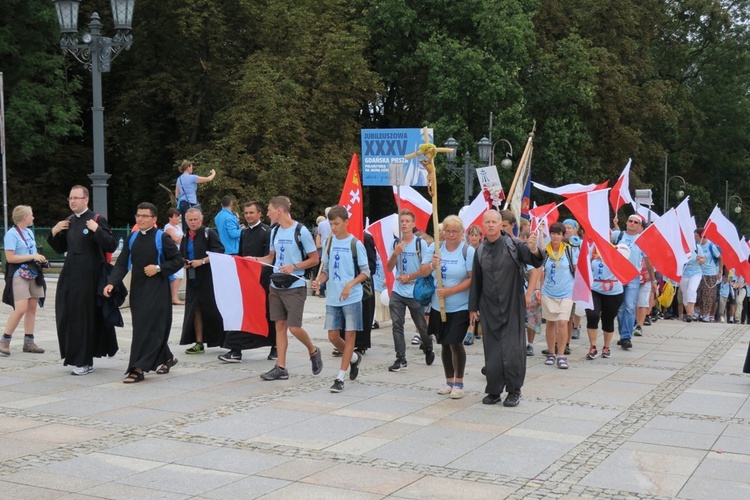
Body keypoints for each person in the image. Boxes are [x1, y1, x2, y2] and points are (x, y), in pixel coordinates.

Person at [469, 210, 543, 407]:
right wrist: (473, 307)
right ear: (483, 224)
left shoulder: (515, 244)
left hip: (512, 305)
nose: (491, 225)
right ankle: (494, 390)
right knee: (492, 349)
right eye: (488, 222)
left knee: (512, 349)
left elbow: (535, 261)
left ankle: (514, 390)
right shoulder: (480, 250)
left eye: (495, 221)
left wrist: (534, 248)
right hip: (489, 307)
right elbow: (476, 280)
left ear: (501, 224)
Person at [103, 202, 183, 383]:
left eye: (145, 216)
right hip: (138, 290)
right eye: (138, 215)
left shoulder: (162, 238)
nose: (140, 219)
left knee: (146, 329)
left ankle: (137, 369)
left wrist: (158, 268)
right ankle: (167, 358)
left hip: (158, 290)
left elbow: (178, 260)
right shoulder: (133, 237)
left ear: (154, 219)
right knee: (143, 326)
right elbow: (122, 263)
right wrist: (112, 283)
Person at [48, 185, 118, 375]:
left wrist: (97, 230)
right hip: (71, 275)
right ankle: (75, 355)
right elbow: (59, 247)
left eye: (76, 198)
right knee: (68, 315)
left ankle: (84, 361)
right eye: (70, 198)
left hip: (90, 277)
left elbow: (111, 244)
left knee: (84, 318)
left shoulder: (96, 219)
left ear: (86, 200)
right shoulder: (69, 221)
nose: (72, 201)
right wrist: (54, 232)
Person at [253, 196, 322, 380]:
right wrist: (253, 260)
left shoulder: (301, 231)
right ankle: (281, 367)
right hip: (276, 284)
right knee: (280, 326)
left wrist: (295, 266)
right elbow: (270, 258)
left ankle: (313, 351)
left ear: (279, 210)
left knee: (294, 327)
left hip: (294, 285)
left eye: (269, 210)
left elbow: (315, 259)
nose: (267, 213)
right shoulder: (274, 231)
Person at [312, 206, 369, 392]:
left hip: (352, 296)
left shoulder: (355, 243)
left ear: (346, 222)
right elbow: (326, 270)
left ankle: (340, 377)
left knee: (350, 334)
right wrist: (319, 281)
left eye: (336, 224)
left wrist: (350, 284)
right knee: (333, 336)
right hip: (333, 297)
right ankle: (353, 358)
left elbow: (365, 272)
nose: (333, 227)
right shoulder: (329, 242)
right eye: (331, 224)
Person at [421, 215, 474, 399]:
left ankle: (459, 382)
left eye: (455, 231)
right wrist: (431, 264)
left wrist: (451, 290)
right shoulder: (435, 248)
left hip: (459, 304)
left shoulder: (468, 251)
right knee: (443, 342)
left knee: (455, 341)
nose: (451, 234)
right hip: (439, 305)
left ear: (461, 233)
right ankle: (448, 380)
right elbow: (423, 271)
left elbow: (471, 278)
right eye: (447, 231)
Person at [219, 201, 277, 363]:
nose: (248, 216)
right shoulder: (243, 232)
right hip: (246, 280)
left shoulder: (267, 232)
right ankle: (235, 350)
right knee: (240, 313)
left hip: (262, 280)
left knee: (267, 313)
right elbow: (241, 254)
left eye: (251, 212)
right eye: (246, 213)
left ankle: (276, 345)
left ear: (259, 213)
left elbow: (270, 259)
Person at [386, 209, 433, 372]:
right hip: (398, 291)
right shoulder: (395, 243)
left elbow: (426, 268)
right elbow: (389, 267)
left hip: (415, 290)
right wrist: (395, 254)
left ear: (413, 224)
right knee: (397, 324)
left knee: (421, 325)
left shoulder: (420, 244)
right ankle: (401, 358)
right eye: (402, 221)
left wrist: (410, 276)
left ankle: (428, 346)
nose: (404, 224)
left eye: (407, 221)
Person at [179, 208, 226, 355]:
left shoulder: (209, 233)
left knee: (213, 308)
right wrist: (184, 262)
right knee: (195, 309)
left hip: (209, 277)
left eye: (195, 219)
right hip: (193, 277)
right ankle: (199, 342)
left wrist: (202, 261)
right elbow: (180, 255)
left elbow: (219, 252)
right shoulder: (186, 236)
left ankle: (226, 339)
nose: (193, 222)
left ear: (201, 219)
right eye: (190, 220)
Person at [1, 205, 47, 356]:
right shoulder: (11, 234)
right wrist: (32, 256)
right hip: (19, 274)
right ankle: (5, 340)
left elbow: (31, 252)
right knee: (20, 308)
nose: (33, 217)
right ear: (25, 217)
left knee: (32, 307)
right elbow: (10, 258)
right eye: (31, 215)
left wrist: (40, 260)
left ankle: (29, 341)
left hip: (33, 272)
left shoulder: (29, 232)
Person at [611, 215, 656, 349]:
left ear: (640, 226)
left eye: (635, 222)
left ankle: (626, 337)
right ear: (626, 223)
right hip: (618, 276)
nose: (632, 224)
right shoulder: (617, 235)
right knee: (620, 308)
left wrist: (653, 279)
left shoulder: (642, 240)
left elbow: (648, 261)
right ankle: (622, 334)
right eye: (630, 221)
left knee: (630, 306)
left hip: (633, 277)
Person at [540, 222, 576, 369]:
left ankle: (561, 354)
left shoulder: (569, 251)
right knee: (550, 323)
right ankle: (551, 352)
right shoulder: (545, 252)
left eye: (558, 234)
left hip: (566, 292)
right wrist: (538, 289)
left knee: (562, 322)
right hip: (548, 292)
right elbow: (541, 272)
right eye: (553, 233)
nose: (555, 236)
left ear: (563, 236)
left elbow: (576, 269)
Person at [585, 247, 625, 361]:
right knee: (592, 315)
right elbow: (584, 266)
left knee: (608, 318)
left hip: (613, 291)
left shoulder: (616, 250)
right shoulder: (592, 250)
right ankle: (593, 347)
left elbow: (623, 267)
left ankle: (606, 347)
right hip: (595, 289)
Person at [175, 160, 216, 232]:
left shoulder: (179, 179)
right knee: (197, 223)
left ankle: (186, 240)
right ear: (188, 167)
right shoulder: (192, 178)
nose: (192, 169)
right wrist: (213, 173)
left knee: (185, 226)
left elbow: (176, 194)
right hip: (191, 203)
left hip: (182, 204)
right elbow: (209, 179)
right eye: (191, 167)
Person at [695, 228, 722, 322]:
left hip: (710, 273)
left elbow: (720, 258)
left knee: (708, 295)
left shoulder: (711, 246)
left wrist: (720, 272)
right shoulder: (696, 245)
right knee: (698, 293)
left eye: (696, 235)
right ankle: (697, 311)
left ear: (702, 235)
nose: (695, 237)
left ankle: (706, 314)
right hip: (698, 272)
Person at [164, 208, 185, 305]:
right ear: (170, 218)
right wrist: (184, 238)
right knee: (177, 276)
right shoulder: (168, 227)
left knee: (179, 276)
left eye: (178, 216)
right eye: (175, 217)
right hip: (173, 254)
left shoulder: (178, 227)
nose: (178, 219)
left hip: (179, 252)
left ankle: (173, 296)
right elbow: (176, 239)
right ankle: (174, 297)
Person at [679, 239, 703, 322]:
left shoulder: (697, 247)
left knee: (691, 290)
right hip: (683, 273)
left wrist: (700, 259)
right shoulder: (680, 247)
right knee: (685, 294)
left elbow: (703, 260)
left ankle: (689, 313)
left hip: (696, 272)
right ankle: (689, 312)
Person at [315, 207, 332, 298]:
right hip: (331, 245)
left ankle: (321, 289)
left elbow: (320, 235)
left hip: (324, 246)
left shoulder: (321, 224)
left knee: (324, 269)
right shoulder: (333, 223)